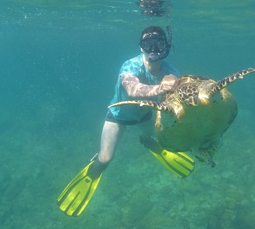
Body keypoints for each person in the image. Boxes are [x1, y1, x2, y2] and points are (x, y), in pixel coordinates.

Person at [57, 26, 195, 217]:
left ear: (166, 47)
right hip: (118, 116)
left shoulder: (171, 71)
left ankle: (148, 142)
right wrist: (159, 88)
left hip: (145, 114)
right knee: (105, 159)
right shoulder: (130, 65)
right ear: (141, 48)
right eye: (148, 44)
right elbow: (132, 89)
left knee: (148, 137)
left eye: (159, 44)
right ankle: (93, 170)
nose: (154, 48)